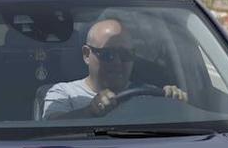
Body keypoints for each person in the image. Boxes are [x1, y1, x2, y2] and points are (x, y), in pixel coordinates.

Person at [41, 18, 187, 118]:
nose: (117, 62)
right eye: (108, 55)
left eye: (125, 54)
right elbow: (50, 128)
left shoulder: (148, 94)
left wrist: (174, 102)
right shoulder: (64, 93)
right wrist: (89, 111)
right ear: (86, 55)